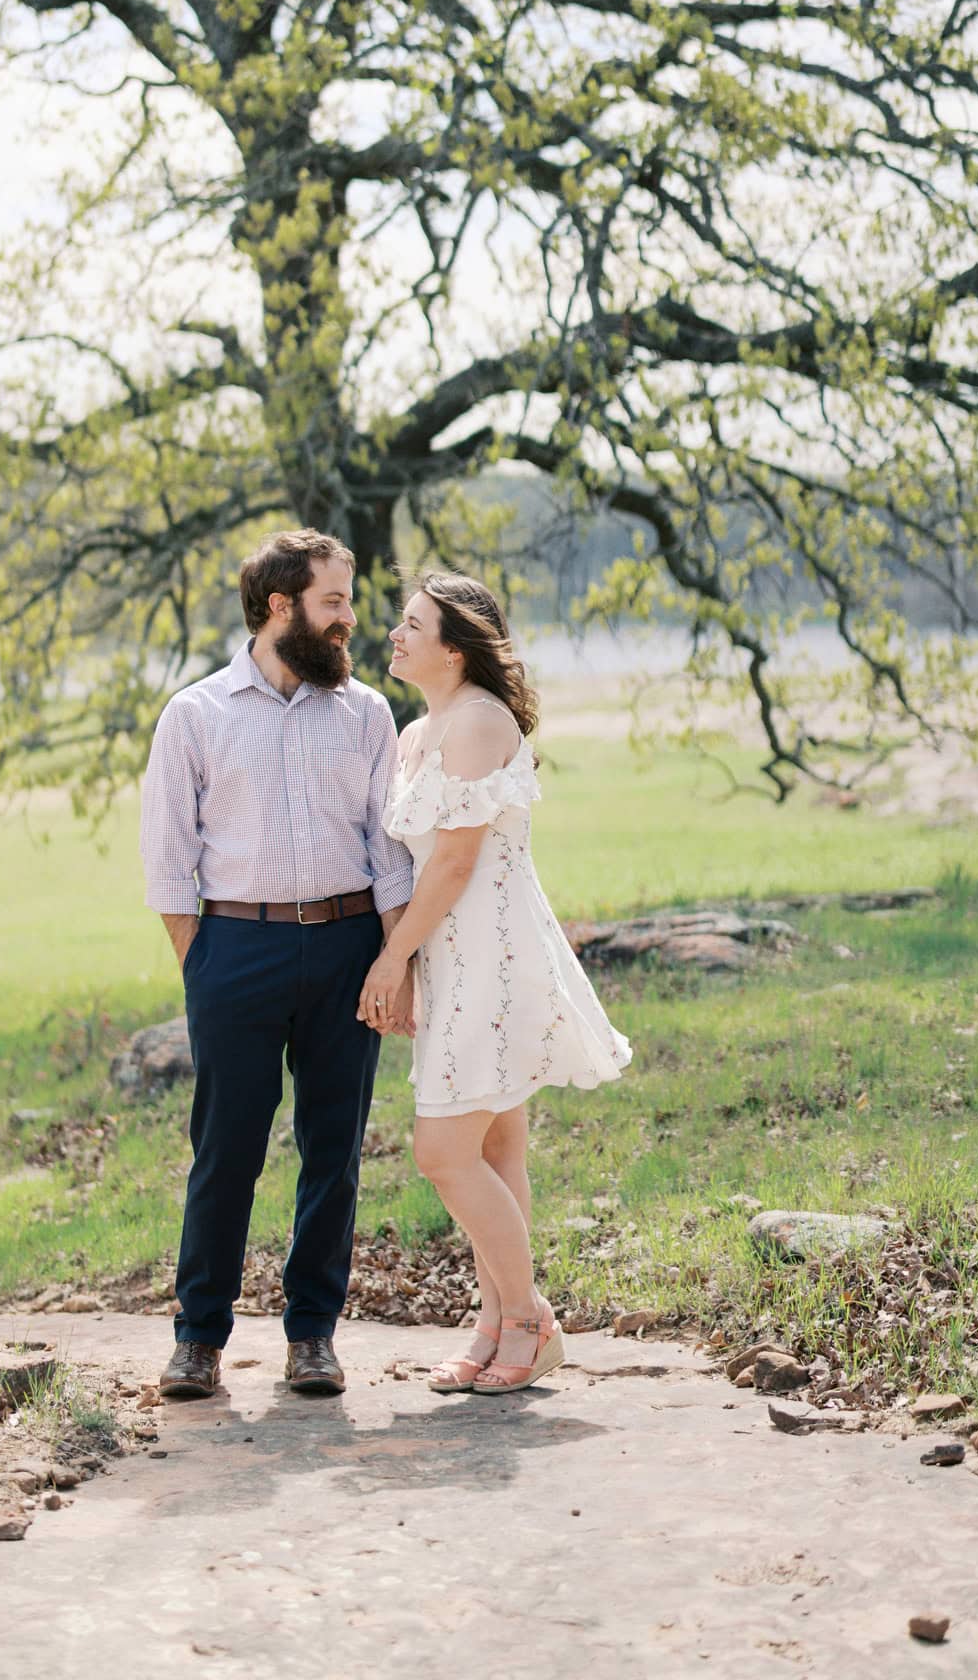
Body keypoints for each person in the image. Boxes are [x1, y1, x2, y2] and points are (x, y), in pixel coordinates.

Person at [139, 529, 415, 1399]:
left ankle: (312, 1337)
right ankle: (198, 1338)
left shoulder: (369, 714)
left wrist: (393, 960)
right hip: (235, 950)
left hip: (346, 949)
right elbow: (166, 861)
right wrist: (205, 967)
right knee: (226, 1149)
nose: (349, 620)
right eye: (334, 602)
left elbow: (390, 852)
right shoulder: (195, 715)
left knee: (333, 1149)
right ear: (278, 607)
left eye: (349, 601)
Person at [358, 571, 633, 1394]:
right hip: (451, 957)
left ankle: (529, 1318)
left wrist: (390, 959)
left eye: (413, 625)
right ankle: (493, 1321)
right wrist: (410, 959)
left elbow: (453, 862)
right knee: (493, 1144)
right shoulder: (416, 733)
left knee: (443, 1151)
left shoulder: (479, 721)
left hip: (493, 955)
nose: (397, 636)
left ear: (456, 644)